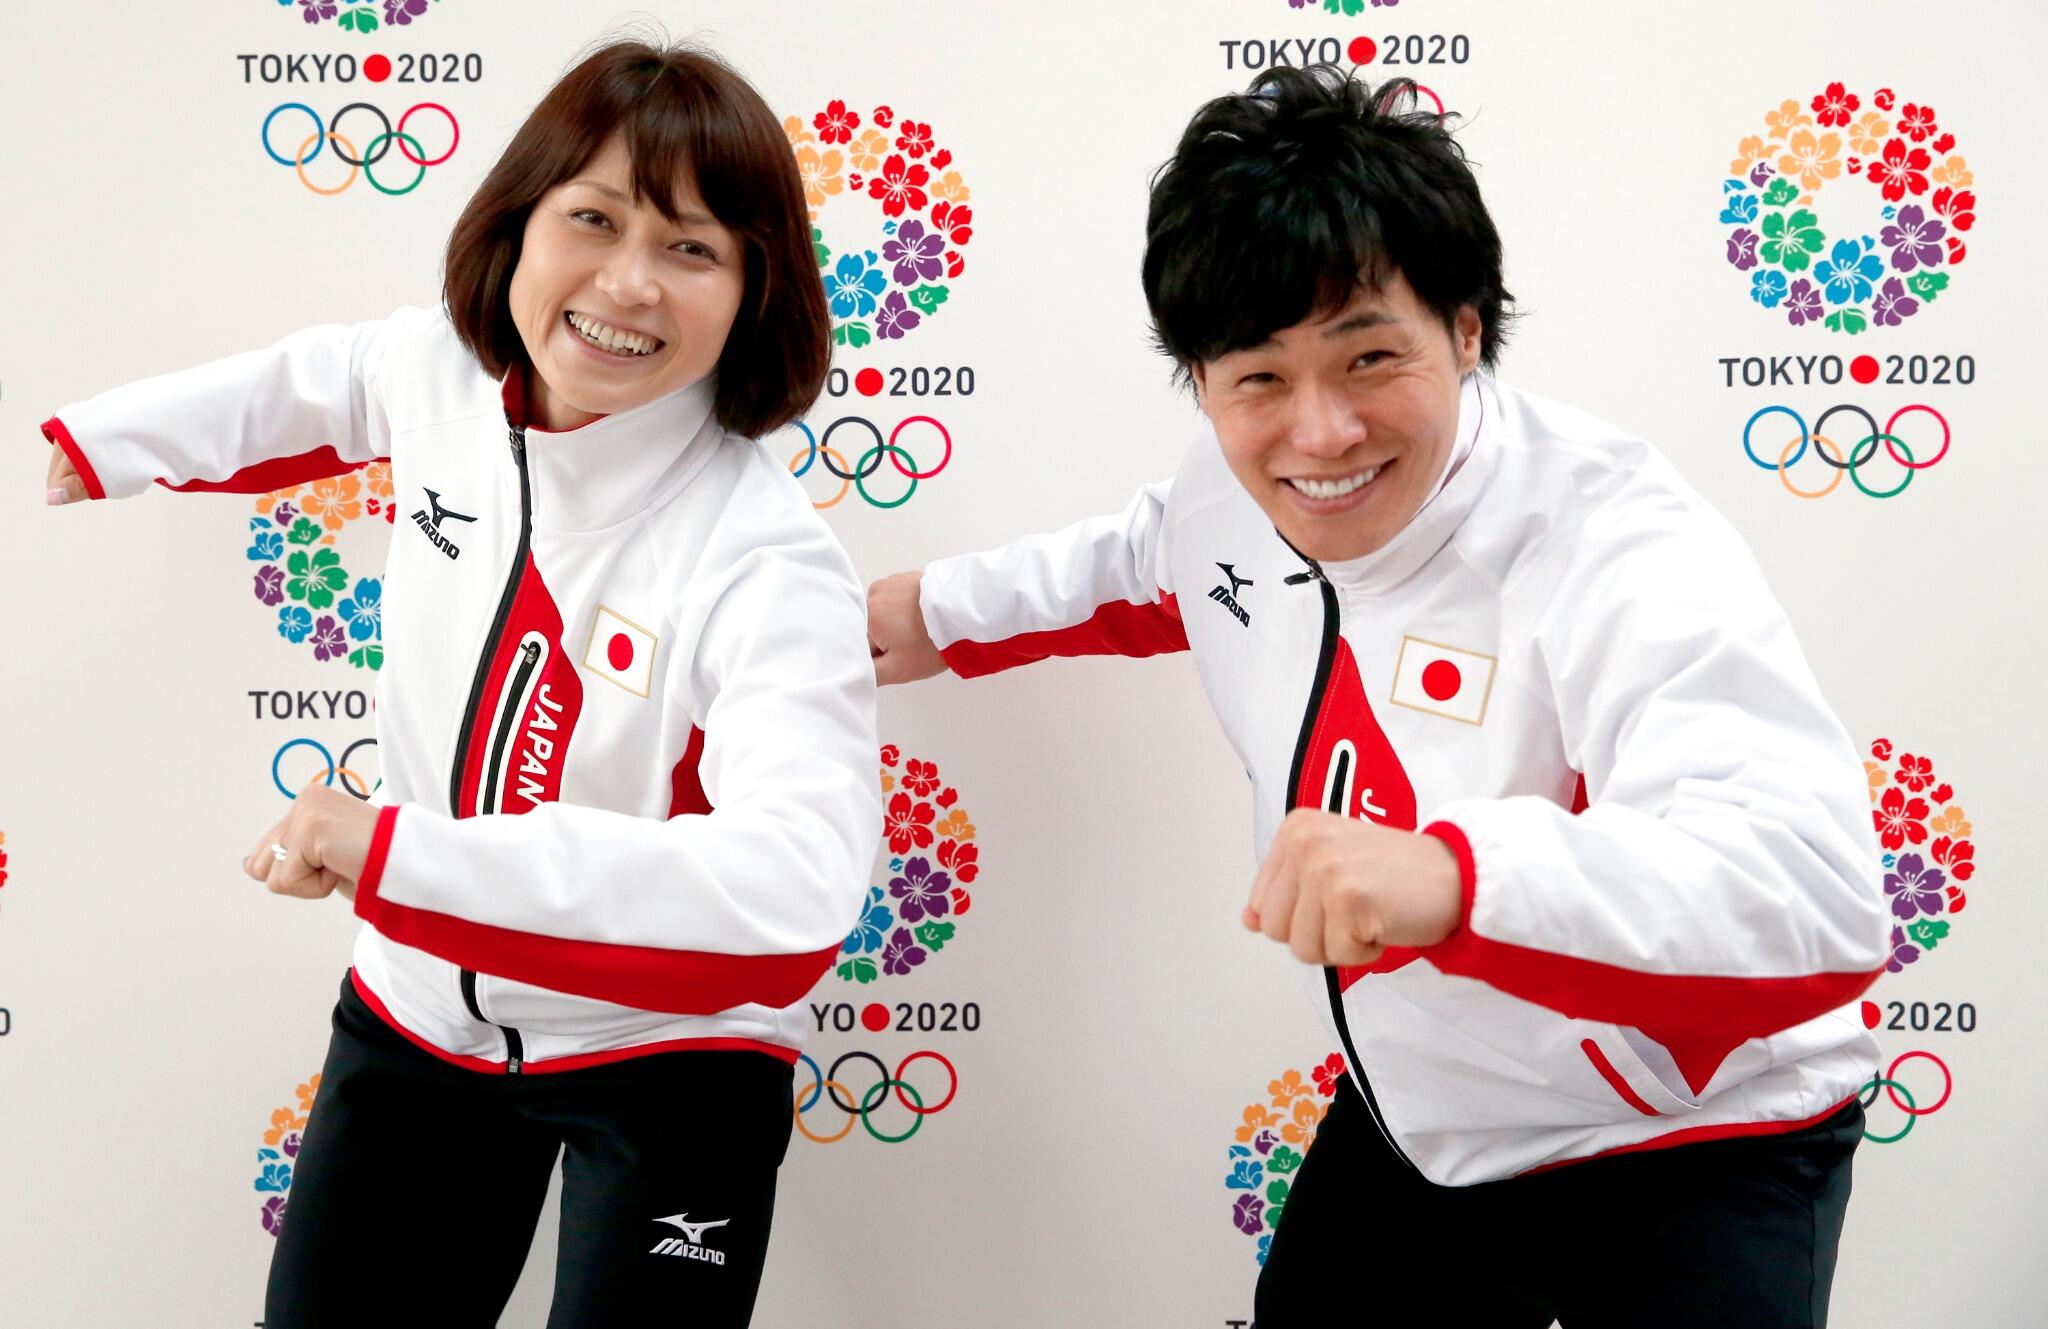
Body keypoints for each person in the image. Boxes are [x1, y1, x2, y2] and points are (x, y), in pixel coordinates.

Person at [866, 67, 1887, 1327]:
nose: (1320, 434)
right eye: (1256, 379)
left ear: (1463, 330)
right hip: (1431, 1120)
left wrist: (1456, 879)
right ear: (1200, 380)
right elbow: (1142, 560)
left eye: (1368, 358)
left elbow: (1811, 891)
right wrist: (928, 612)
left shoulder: (1614, 539)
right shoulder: (1231, 489)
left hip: (1695, 1133)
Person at [42, 40, 879, 1328]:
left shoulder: (765, 557)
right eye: (592, 219)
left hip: (668, 1049)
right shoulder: (444, 372)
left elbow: (796, 886)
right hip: (419, 1010)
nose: (628, 284)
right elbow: (313, 385)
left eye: (691, 247)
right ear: (518, 222)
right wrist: (110, 440)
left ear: (754, 289)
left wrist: (401, 856)